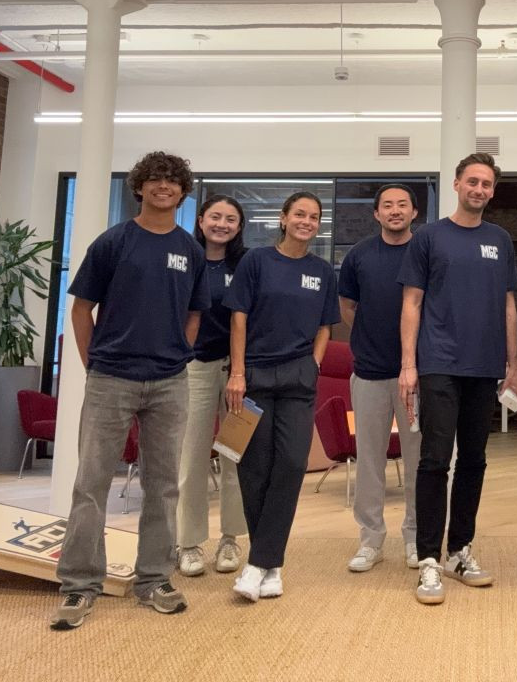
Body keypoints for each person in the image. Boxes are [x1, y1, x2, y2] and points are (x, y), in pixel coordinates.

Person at [50, 151, 208, 631]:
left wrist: (180, 350)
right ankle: (79, 585)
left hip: (169, 381)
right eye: (154, 179)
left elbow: (195, 312)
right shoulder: (114, 242)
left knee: (163, 485)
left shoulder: (191, 250)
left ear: (183, 191)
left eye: (173, 181)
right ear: (139, 188)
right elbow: (81, 310)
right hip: (111, 378)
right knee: (91, 483)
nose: (164, 186)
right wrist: (93, 363)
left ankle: (154, 579)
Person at [398, 152, 517, 605]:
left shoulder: (500, 239)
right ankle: (429, 558)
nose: (480, 190)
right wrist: (409, 365)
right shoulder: (429, 237)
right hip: (437, 363)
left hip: (484, 366)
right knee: (434, 458)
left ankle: (459, 550)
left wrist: (513, 366)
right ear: (456, 184)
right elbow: (411, 303)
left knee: (475, 459)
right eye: (473, 181)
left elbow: (509, 305)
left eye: (487, 184)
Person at [224, 191, 340, 602]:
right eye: (300, 214)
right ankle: (267, 565)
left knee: (291, 464)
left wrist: (315, 362)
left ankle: (259, 562)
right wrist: (236, 372)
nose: (307, 221)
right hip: (252, 375)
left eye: (314, 217)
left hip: (298, 377)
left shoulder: (322, 271)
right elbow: (238, 317)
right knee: (254, 467)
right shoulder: (257, 261)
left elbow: (327, 323)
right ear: (283, 218)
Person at [338, 183, 422, 574]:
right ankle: (371, 540)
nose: (394, 211)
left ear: (414, 212)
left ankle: (416, 537)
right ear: (376, 214)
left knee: (419, 459)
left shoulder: (426, 251)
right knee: (370, 459)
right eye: (386, 205)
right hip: (369, 373)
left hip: (417, 377)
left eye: (401, 205)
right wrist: (372, 336)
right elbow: (347, 307)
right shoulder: (359, 255)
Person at [176, 195, 248, 577]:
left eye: (231, 219)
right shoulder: (184, 258)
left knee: (235, 456)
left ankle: (230, 540)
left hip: (239, 374)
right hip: (195, 370)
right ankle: (187, 543)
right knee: (191, 459)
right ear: (201, 219)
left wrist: (242, 369)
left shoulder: (247, 263)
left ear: (239, 226)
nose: (222, 224)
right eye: (215, 217)